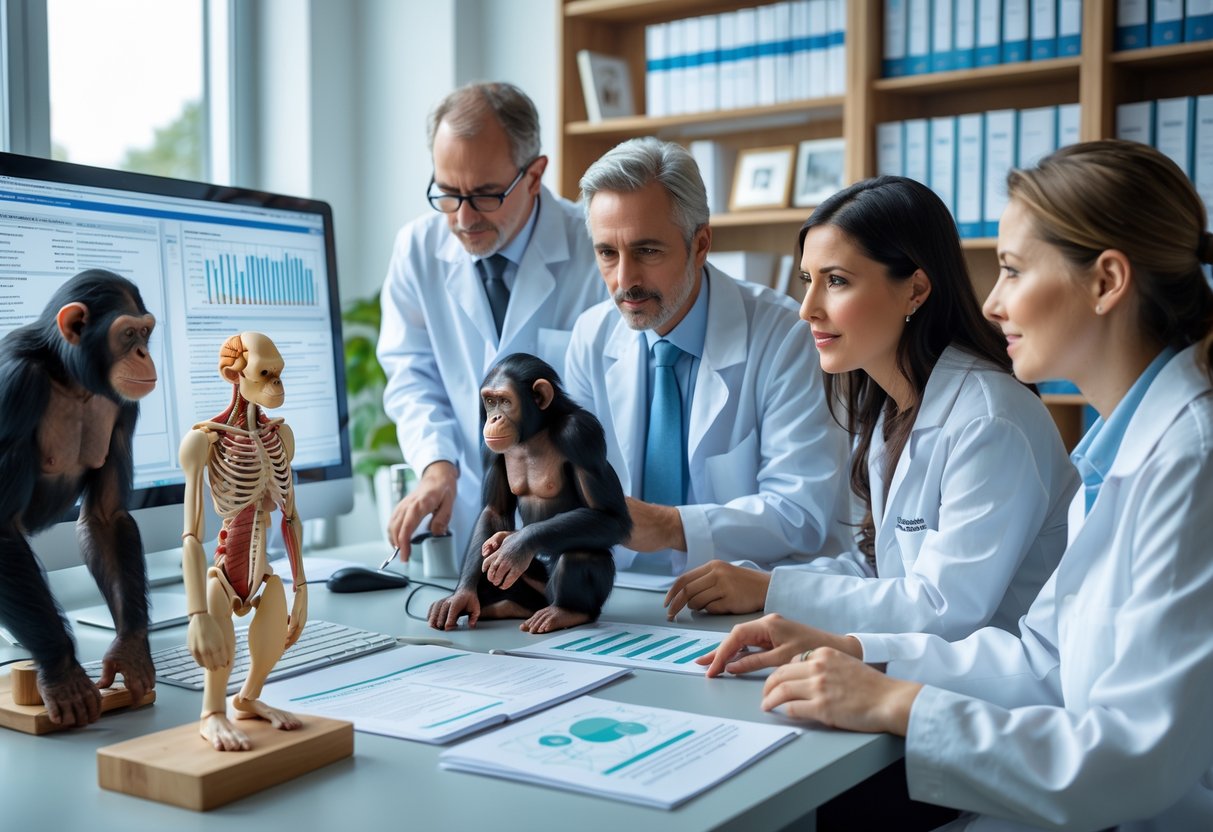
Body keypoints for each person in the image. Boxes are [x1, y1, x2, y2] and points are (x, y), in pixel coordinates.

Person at [702, 140, 1213, 831]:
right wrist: (862, 655)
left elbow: (1133, 759)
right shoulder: (1121, 455)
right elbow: (1043, 660)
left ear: (1106, 282)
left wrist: (896, 701)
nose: (993, 302)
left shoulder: (1189, 463)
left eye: (1011, 270)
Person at [665, 175, 1078, 640]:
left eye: (836, 281)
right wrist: (765, 584)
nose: (807, 308)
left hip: (993, 675)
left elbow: (943, 607)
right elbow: (883, 569)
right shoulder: (891, 405)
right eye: (808, 280)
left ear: (915, 290)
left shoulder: (990, 420)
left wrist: (773, 591)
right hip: (919, 663)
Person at [563, 137, 853, 580]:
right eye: (607, 253)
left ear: (700, 245)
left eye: (647, 251)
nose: (624, 279)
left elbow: (801, 514)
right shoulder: (590, 335)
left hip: (745, 595)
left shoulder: (784, 338)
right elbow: (571, 486)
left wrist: (670, 526)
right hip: (619, 588)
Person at [378, 82, 606, 562]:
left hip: (569, 532)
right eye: (448, 193)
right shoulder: (417, 249)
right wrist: (437, 465)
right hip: (466, 520)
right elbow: (411, 377)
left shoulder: (596, 250)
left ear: (534, 175)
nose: (463, 218)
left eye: (485, 195)